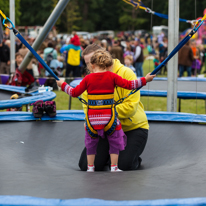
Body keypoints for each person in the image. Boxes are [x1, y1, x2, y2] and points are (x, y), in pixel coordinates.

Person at [56, 50, 155, 172]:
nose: (88, 68)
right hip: (103, 126)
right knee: (85, 164)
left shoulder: (122, 74)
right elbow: (81, 100)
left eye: (89, 64)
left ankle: (124, 159)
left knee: (124, 164)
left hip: (132, 127)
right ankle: (108, 159)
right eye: (86, 63)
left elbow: (130, 102)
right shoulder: (89, 80)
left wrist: (63, 85)